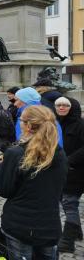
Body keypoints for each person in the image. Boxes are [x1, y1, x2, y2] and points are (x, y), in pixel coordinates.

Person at [0, 105, 67, 260]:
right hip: (49, 224)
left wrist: (4, 166)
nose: (19, 123)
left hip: (19, 225)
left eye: (21, 120)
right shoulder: (59, 153)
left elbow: (3, 190)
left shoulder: (15, 153)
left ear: (28, 125)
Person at [54, 97, 84, 253]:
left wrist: (68, 160)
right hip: (62, 171)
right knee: (65, 202)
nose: (61, 107)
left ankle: (68, 242)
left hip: (76, 172)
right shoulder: (55, 123)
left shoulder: (80, 124)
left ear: (72, 107)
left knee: (69, 203)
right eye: (58, 105)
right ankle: (76, 231)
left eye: (65, 105)